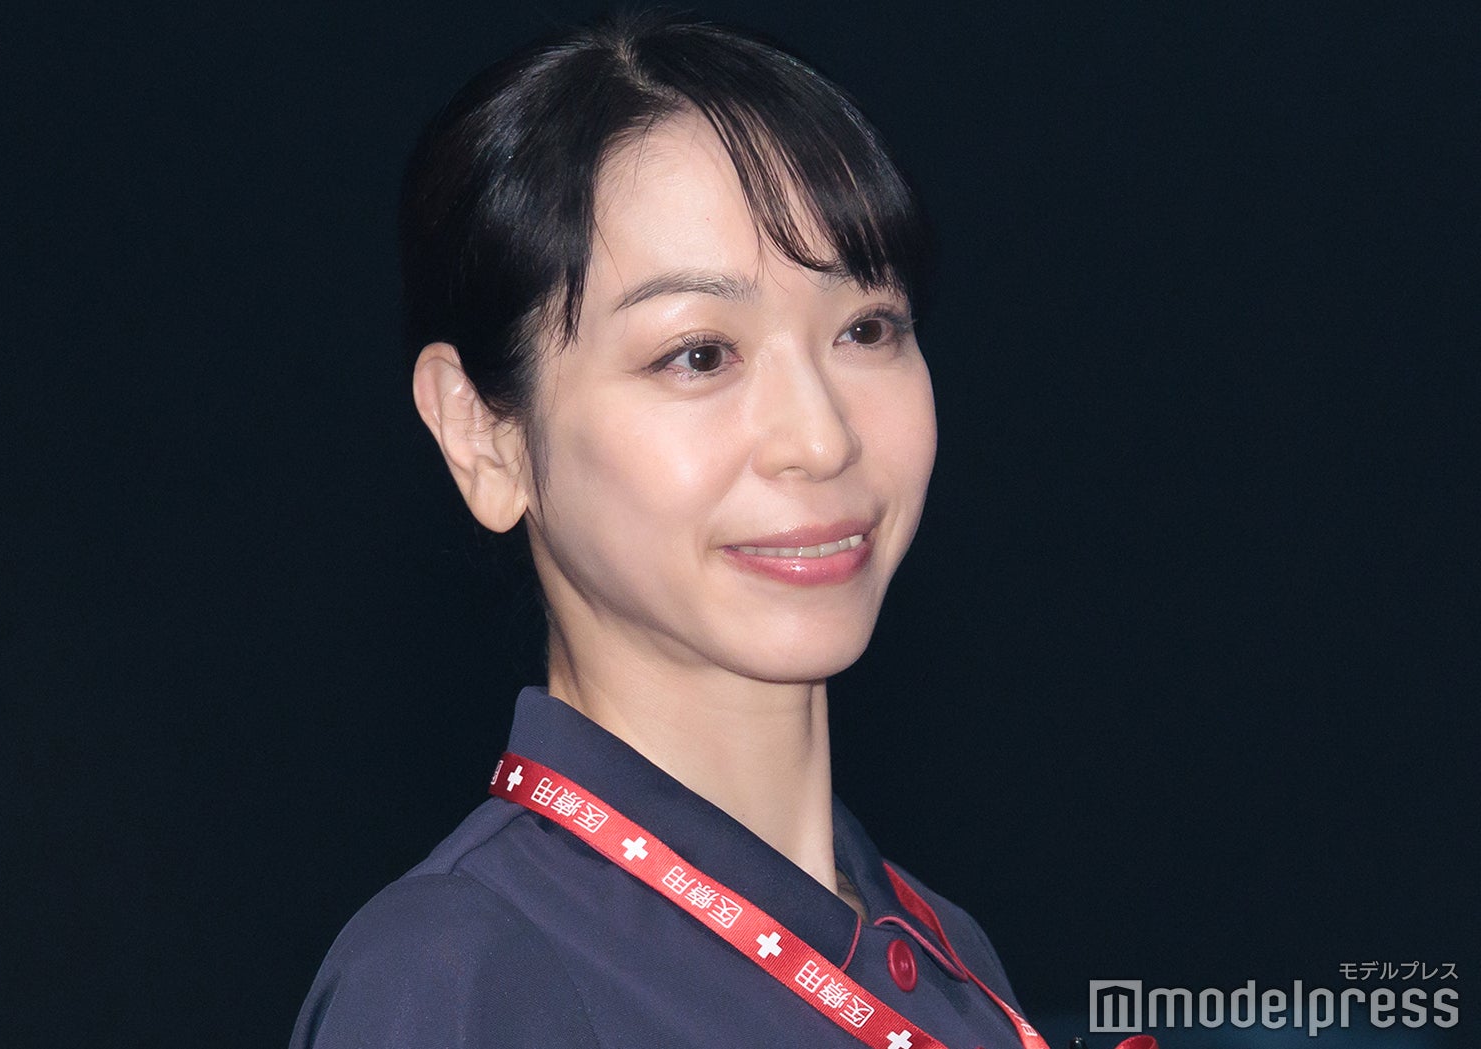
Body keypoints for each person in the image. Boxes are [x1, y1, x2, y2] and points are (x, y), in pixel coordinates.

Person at [291, 14, 1048, 1049]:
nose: (821, 438)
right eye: (698, 354)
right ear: (483, 436)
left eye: (865, 328)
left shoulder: (945, 950)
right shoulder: (463, 976)